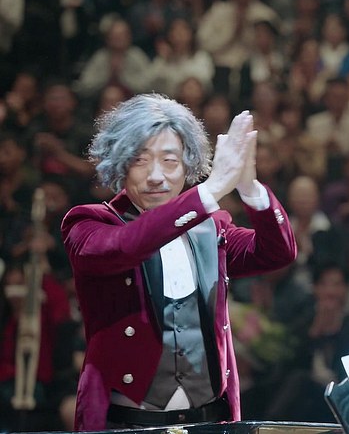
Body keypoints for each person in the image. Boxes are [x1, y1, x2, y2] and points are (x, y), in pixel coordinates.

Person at [60, 94, 297, 430]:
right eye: (140, 161)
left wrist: (249, 188)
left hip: (209, 420)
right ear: (119, 164)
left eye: (170, 161)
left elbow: (277, 251)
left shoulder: (210, 229)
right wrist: (210, 191)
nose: (156, 176)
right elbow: (128, 245)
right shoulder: (89, 223)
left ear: (188, 165)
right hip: (126, 424)